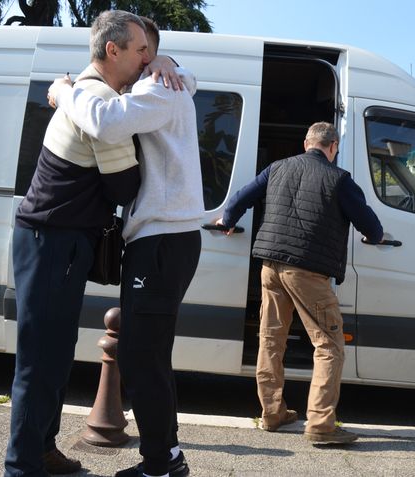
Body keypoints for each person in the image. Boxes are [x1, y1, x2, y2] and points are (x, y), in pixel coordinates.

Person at [49, 16, 202, 477]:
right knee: (149, 354)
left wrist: (63, 91)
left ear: (150, 55)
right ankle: (166, 457)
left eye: (144, 51)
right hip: (164, 239)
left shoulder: (158, 87)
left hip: (161, 240)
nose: (141, 58)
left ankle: (161, 463)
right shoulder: (166, 81)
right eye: (138, 51)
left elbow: (103, 123)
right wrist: (175, 65)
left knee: (140, 355)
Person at [4, 11, 151, 476]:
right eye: (140, 50)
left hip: (53, 238)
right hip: (53, 239)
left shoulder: (85, 91)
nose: (147, 59)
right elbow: (124, 187)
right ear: (113, 50)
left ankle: (41, 450)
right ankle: (22, 465)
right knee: (41, 358)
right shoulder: (100, 101)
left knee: (53, 352)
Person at [216, 122, 384, 445]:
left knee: (271, 338)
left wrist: (227, 220)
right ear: (332, 147)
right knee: (329, 345)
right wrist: (372, 236)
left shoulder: (277, 167)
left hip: (270, 266)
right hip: (307, 271)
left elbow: (242, 197)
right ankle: (321, 425)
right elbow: (370, 224)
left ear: (307, 142)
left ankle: (272, 413)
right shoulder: (339, 180)